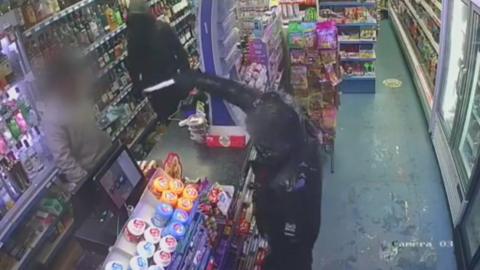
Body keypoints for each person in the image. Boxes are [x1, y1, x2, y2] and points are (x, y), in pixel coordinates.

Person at [151, 72, 323, 270]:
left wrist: (266, 228)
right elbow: (238, 93)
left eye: (261, 143)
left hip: (292, 249)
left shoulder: (292, 184)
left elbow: (294, 237)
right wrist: (196, 79)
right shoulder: (279, 113)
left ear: (275, 147)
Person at [40, 53, 112, 190]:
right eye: (67, 80)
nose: (72, 82)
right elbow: (64, 159)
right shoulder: (51, 118)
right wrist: (88, 181)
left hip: (108, 154)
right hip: (93, 171)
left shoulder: (77, 95)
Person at [126, 0, 190, 122]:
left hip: (154, 89)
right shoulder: (162, 28)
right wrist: (185, 73)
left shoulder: (132, 38)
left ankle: (170, 131)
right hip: (172, 80)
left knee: (166, 117)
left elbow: (133, 67)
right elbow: (181, 53)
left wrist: (137, 87)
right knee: (181, 115)